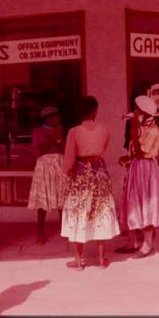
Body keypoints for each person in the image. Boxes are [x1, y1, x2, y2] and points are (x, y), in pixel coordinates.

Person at [61, 96, 120, 270]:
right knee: (100, 210)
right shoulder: (104, 130)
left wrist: (67, 173)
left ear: (80, 113)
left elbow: (69, 158)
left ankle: (78, 261)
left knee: (79, 211)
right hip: (99, 171)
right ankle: (101, 259)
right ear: (95, 111)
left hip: (81, 173)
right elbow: (103, 148)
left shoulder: (74, 132)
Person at [116, 95, 159, 258]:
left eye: (137, 110)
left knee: (145, 203)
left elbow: (142, 152)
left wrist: (134, 127)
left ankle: (147, 245)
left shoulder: (153, 130)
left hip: (146, 170)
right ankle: (132, 242)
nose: (135, 113)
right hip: (137, 167)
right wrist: (127, 158)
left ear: (145, 112)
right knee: (132, 203)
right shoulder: (142, 127)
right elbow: (135, 152)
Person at [27, 106, 66, 244]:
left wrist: (59, 139)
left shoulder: (60, 130)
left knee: (62, 198)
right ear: (48, 118)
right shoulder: (37, 132)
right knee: (43, 202)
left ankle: (64, 229)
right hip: (44, 167)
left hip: (60, 165)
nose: (58, 119)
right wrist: (53, 139)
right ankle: (40, 233)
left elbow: (64, 150)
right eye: (56, 116)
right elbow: (37, 153)